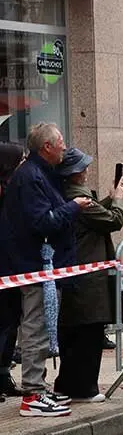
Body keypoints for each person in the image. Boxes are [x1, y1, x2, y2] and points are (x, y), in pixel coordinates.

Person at [0, 124, 94, 417]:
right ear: (47, 148)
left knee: (39, 326)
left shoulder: (40, 173)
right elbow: (43, 221)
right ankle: (33, 394)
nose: (65, 147)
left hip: (42, 264)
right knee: (36, 328)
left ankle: (38, 388)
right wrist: (74, 207)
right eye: (61, 143)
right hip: (35, 265)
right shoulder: (31, 177)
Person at [54, 148, 123, 403]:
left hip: (76, 272)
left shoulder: (70, 194)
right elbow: (112, 220)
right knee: (90, 332)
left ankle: (66, 384)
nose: (86, 171)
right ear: (74, 174)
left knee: (73, 331)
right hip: (88, 275)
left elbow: (97, 215)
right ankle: (86, 389)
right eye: (83, 168)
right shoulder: (79, 199)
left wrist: (108, 198)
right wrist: (118, 199)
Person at [0, 142, 26, 398]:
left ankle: (3, 375)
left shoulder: (13, 189)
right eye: (18, 161)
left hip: (13, 269)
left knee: (10, 325)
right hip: (4, 268)